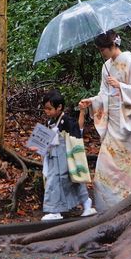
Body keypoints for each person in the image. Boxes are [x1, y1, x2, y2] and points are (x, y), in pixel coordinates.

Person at [79, 31, 131, 212]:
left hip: (128, 123)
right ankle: (107, 209)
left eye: (103, 49)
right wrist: (92, 101)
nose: (102, 53)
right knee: (105, 168)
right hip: (112, 124)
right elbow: (104, 95)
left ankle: (128, 208)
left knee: (128, 168)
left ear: (112, 46)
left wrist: (121, 86)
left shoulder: (129, 62)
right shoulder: (106, 68)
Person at [31, 89, 97, 221]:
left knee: (61, 180)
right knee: (63, 181)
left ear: (59, 107)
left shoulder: (65, 120)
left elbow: (78, 129)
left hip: (65, 156)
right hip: (53, 157)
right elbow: (45, 141)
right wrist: (38, 147)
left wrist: (82, 112)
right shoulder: (49, 122)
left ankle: (57, 210)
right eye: (46, 109)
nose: (47, 112)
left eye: (49, 109)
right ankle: (85, 202)